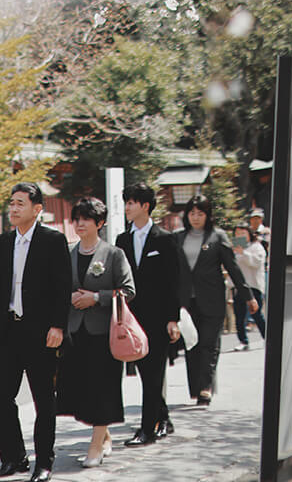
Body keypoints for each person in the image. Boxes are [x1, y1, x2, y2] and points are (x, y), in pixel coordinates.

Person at [0, 182, 71, 482]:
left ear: (37, 209)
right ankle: (13, 458)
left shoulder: (53, 240)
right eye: (11, 202)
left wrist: (58, 326)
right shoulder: (3, 241)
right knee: (3, 394)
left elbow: (63, 287)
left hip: (41, 331)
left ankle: (43, 462)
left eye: (20, 203)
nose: (13, 208)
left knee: (43, 398)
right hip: (10, 329)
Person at [55, 197, 136, 468]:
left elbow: (128, 290)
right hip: (75, 332)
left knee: (103, 389)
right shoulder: (68, 253)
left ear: (99, 223)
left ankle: (95, 445)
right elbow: (54, 287)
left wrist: (96, 297)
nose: (79, 224)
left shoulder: (113, 254)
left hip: (104, 333)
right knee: (83, 389)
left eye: (86, 219)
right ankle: (105, 435)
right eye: (76, 219)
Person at [115, 182, 181, 446]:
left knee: (154, 373)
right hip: (133, 319)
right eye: (126, 202)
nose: (127, 207)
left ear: (145, 206)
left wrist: (173, 319)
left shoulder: (165, 239)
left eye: (132, 202)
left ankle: (147, 429)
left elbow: (174, 282)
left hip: (159, 318)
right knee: (146, 372)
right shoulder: (122, 239)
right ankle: (163, 418)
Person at [176, 194, 258, 405]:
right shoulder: (178, 237)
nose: (195, 217)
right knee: (191, 344)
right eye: (192, 213)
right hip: (187, 300)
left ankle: (206, 388)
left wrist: (248, 295)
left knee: (209, 344)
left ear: (208, 215)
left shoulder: (217, 237)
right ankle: (196, 387)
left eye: (200, 213)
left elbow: (233, 268)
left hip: (212, 299)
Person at [232, 224, 267, 349]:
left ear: (249, 234)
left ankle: (266, 338)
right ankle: (243, 341)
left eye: (242, 233)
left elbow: (256, 263)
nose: (239, 236)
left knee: (256, 314)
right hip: (239, 286)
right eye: (237, 234)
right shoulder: (234, 249)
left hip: (253, 285)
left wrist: (244, 253)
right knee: (239, 315)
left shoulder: (257, 247)